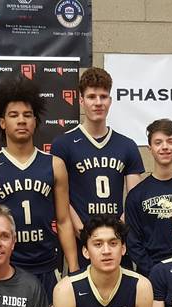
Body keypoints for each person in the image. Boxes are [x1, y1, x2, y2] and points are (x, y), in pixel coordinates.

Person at [0, 76, 78, 299]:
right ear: (2, 123)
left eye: (27, 115)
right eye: (14, 115)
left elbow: (63, 220)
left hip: (48, 266)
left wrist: (75, 269)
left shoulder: (54, 165)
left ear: (35, 122)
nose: (21, 120)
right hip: (6, 268)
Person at [50, 67, 143, 238]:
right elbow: (60, 199)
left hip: (118, 240)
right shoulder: (63, 144)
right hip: (80, 239)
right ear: (81, 101)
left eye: (103, 96)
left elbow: (135, 199)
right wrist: (84, 234)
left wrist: (117, 233)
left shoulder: (127, 145)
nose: (98, 102)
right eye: (92, 97)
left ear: (110, 100)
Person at [124, 119, 172, 277]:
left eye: (170, 141)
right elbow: (133, 242)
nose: (165, 147)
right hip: (151, 274)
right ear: (150, 149)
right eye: (158, 142)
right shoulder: (136, 195)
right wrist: (155, 271)